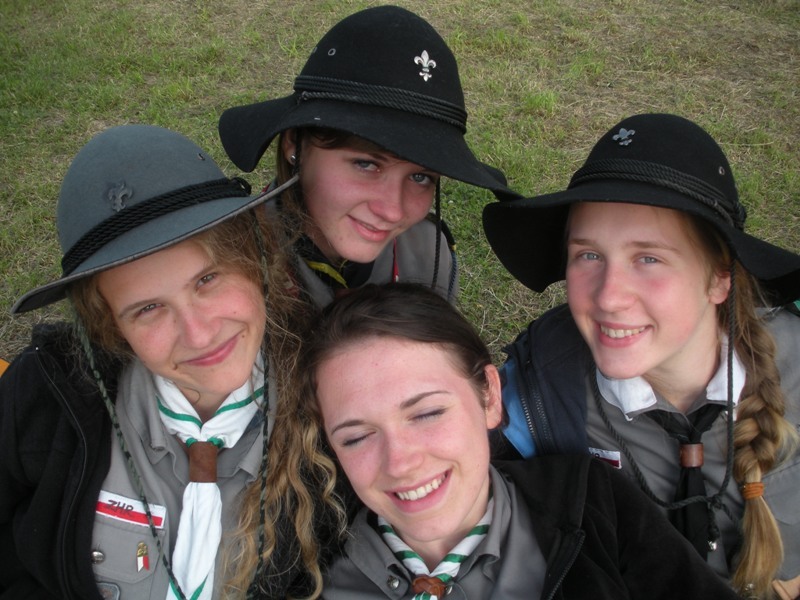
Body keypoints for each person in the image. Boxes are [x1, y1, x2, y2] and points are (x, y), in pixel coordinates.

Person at [0, 125, 340, 599]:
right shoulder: (44, 396)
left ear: (256, 260)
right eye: (148, 309)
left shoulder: (330, 405)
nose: (198, 334)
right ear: (111, 324)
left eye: (207, 280)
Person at [482, 113, 800, 600]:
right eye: (588, 255)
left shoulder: (794, 367)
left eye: (648, 258)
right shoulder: (543, 389)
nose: (609, 297)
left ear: (720, 278)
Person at [291, 282, 741, 599]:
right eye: (356, 437)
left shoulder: (590, 501)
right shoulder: (307, 576)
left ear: (489, 396)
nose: (401, 462)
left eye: (427, 413)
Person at [217, 5, 515, 307]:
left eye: (420, 176)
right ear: (294, 143)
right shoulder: (228, 262)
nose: (392, 212)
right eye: (366, 164)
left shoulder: (427, 253)